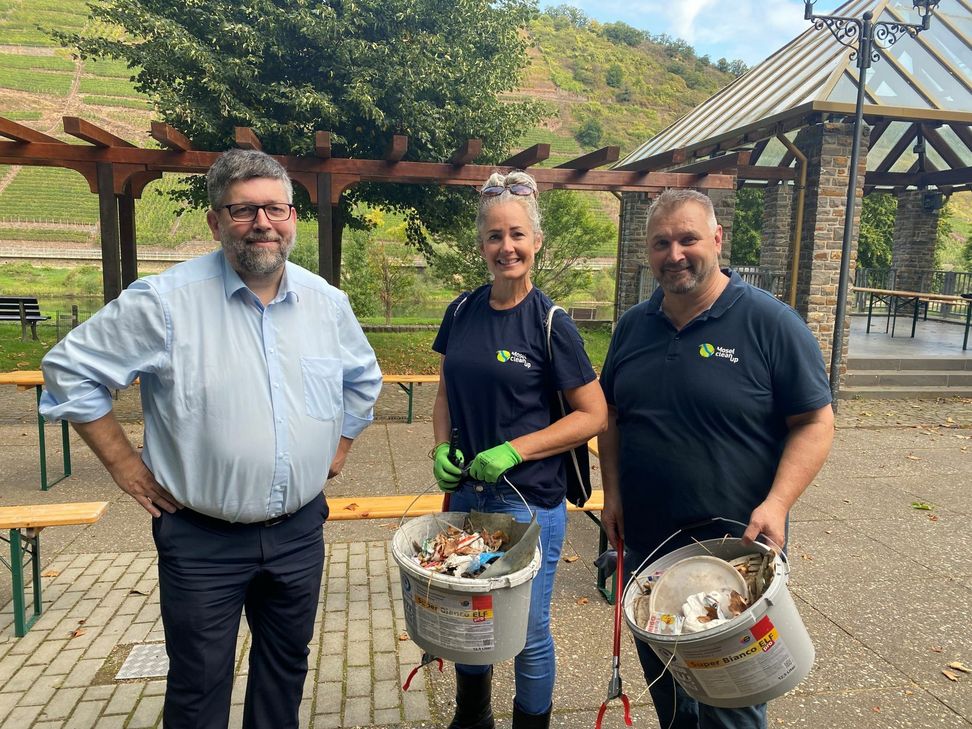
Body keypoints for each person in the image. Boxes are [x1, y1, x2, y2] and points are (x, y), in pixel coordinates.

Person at [39, 149, 382, 729]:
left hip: (299, 532)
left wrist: (339, 447)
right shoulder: (165, 302)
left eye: (275, 208)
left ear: (293, 217)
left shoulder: (326, 303)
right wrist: (124, 465)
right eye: (243, 210)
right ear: (215, 221)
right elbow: (69, 371)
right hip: (202, 540)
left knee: (285, 672)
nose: (262, 223)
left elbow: (363, 380)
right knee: (198, 687)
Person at [597, 189, 834, 729]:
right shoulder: (633, 326)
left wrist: (778, 503)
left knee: (731, 707)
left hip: (736, 553)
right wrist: (612, 493)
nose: (675, 254)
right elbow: (610, 414)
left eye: (688, 239)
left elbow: (816, 422)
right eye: (661, 243)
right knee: (671, 693)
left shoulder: (771, 323)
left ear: (718, 239)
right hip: (650, 553)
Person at [431, 170, 607, 729]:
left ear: (537, 242)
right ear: (481, 244)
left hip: (527, 502)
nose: (506, 247)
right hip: (466, 496)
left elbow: (593, 414)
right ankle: (472, 718)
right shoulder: (461, 311)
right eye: (494, 236)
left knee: (528, 631)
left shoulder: (551, 324)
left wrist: (515, 450)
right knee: (470, 616)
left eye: (517, 235)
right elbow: (445, 392)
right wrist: (441, 448)